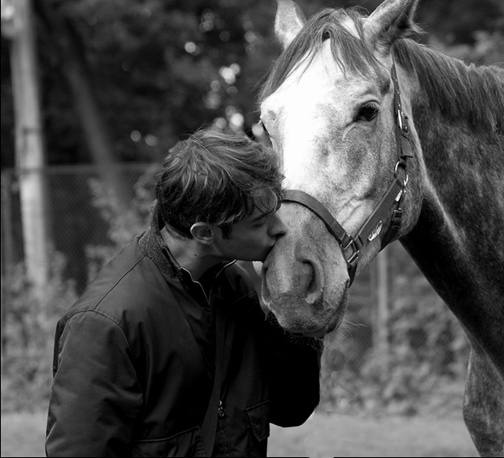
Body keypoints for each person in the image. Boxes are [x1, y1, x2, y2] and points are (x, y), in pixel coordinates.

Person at [45, 127, 323, 457]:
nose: (280, 228)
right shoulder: (106, 324)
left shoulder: (238, 290)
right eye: (261, 221)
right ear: (205, 233)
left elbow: (292, 407)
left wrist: (292, 309)